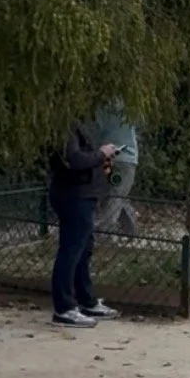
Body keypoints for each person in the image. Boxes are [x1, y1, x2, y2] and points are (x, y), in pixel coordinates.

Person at [49, 123, 120, 327]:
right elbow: (74, 159)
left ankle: (85, 300)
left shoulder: (76, 124)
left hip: (84, 195)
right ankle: (64, 308)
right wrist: (100, 154)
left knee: (83, 250)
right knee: (71, 251)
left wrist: (102, 157)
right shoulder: (64, 127)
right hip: (74, 195)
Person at [94, 103, 140, 236]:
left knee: (112, 195)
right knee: (117, 195)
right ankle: (103, 233)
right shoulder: (129, 104)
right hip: (126, 157)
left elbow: (96, 130)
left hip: (105, 156)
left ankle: (125, 229)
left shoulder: (99, 106)